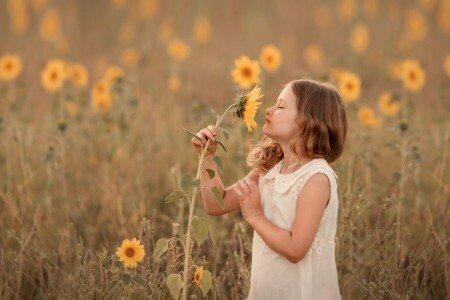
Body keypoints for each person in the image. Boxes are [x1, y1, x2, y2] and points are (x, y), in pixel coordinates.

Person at [191, 79, 347, 299]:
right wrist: (206, 158)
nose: (269, 110)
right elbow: (217, 203)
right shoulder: (270, 168)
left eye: (281, 106)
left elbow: (295, 249)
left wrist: (255, 216)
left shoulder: (316, 178)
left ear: (308, 122)